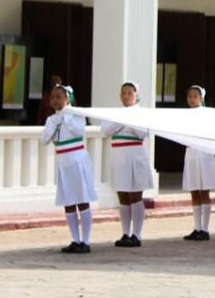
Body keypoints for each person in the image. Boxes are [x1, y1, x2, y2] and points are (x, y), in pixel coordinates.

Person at [41, 84, 98, 254]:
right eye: (52, 97)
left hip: (77, 159)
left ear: (67, 99)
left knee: (81, 199)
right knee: (68, 201)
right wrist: (53, 124)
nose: (55, 100)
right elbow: (44, 140)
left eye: (59, 97)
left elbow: (79, 130)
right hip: (63, 161)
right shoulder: (51, 120)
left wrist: (66, 116)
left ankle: (86, 241)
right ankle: (75, 239)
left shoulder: (76, 114)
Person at [102, 82, 153, 248]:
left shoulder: (141, 113)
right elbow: (106, 129)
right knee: (123, 196)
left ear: (136, 95)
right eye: (123, 93)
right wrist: (124, 119)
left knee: (135, 195)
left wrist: (125, 120)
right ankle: (125, 232)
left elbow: (141, 132)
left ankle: (137, 234)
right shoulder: (115, 113)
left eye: (129, 93)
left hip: (134, 155)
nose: (125, 96)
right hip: (119, 156)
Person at [182, 85, 215, 241]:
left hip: (204, 154)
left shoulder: (207, 115)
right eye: (190, 96)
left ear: (201, 98)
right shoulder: (184, 115)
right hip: (191, 154)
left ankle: (205, 228)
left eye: (195, 96)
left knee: (204, 191)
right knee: (194, 191)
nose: (192, 99)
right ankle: (197, 227)